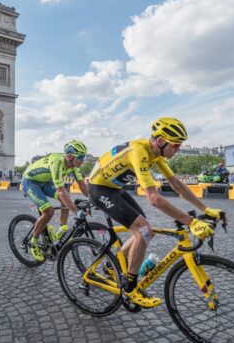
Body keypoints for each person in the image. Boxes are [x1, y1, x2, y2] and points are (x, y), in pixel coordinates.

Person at [88, 117, 225, 308]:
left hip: (114, 188)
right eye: (175, 146)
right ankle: (129, 288)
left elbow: (177, 184)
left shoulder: (157, 155)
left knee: (146, 232)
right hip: (99, 189)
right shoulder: (139, 152)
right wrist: (191, 222)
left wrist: (206, 209)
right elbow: (154, 199)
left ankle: (112, 266)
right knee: (143, 230)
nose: (177, 150)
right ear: (160, 141)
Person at [21, 140, 90, 262]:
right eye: (80, 157)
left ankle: (62, 228)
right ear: (69, 156)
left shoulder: (74, 166)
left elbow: (82, 184)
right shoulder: (57, 162)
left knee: (66, 199)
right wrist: (76, 211)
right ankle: (34, 241)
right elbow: (61, 191)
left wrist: (93, 200)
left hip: (45, 181)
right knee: (49, 211)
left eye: (83, 157)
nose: (82, 160)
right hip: (30, 182)